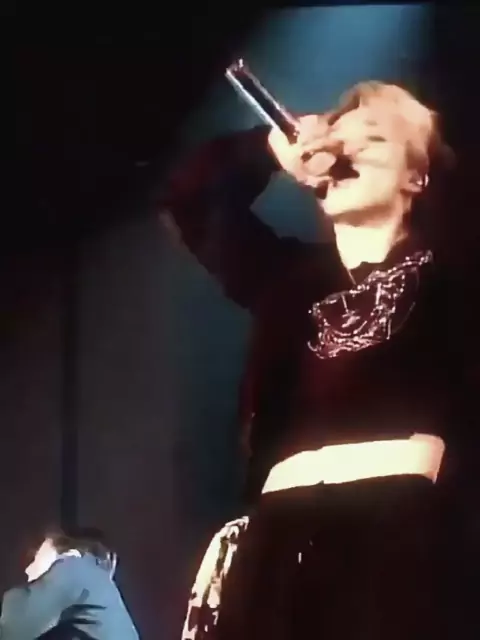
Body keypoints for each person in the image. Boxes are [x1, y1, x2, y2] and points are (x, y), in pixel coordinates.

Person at [160, 81, 475, 639]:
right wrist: (270, 151)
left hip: (400, 535)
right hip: (278, 544)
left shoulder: (451, 273)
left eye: (371, 138)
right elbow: (189, 199)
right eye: (338, 139)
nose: (345, 150)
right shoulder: (287, 279)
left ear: (417, 176)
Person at [0, 527, 139, 639]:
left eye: (36, 556)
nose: (28, 570)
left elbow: (14, 629)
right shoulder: (95, 583)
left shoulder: (73, 567)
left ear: (70, 553)